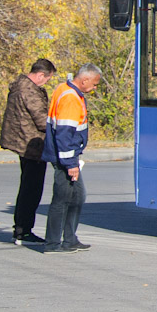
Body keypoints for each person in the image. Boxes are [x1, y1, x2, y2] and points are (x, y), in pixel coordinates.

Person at [41, 64, 102, 254]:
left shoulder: (64, 89)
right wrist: (70, 164)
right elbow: (64, 135)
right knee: (62, 199)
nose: (95, 88)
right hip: (65, 158)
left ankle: (69, 239)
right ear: (84, 80)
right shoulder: (71, 98)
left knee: (77, 196)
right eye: (94, 84)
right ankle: (53, 243)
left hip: (68, 157)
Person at [0, 58, 55, 245]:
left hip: (22, 141)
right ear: (40, 75)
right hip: (32, 145)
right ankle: (23, 231)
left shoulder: (19, 86)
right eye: (46, 79)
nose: (45, 83)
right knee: (31, 189)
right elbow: (41, 120)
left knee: (27, 187)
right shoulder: (30, 91)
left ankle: (22, 229)